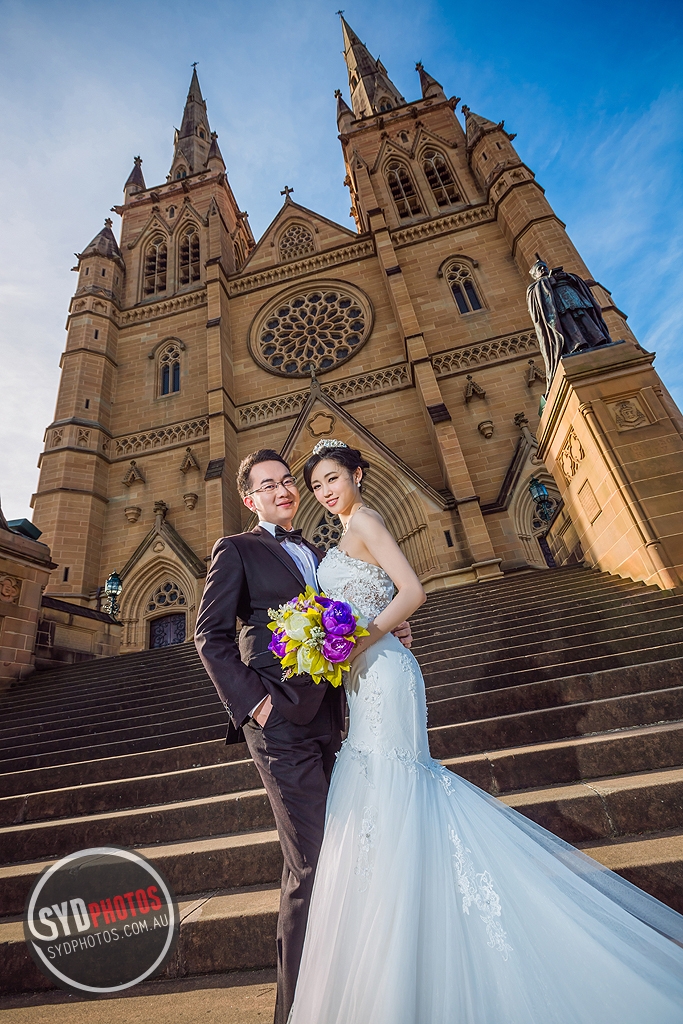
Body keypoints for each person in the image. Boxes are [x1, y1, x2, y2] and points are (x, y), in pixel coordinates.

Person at [288, 439, 683, 1024]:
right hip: (363, 677)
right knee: (378, 785)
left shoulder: (367, 521)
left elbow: (413, 590)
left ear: (358, 475)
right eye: (317, 484)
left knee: (393, 779)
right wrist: (332, 641)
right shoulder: (341, 535)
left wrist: (358, 640)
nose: (325, 491)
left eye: (333, 478)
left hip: (385, 671)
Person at [193, 448, 412, 1024]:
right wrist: (255, 705)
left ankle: (347, 996)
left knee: (345, 854)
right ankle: (293, 1012)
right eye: (268, 485)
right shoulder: (236, 549)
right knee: (310, 864)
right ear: (249, 499)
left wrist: (390, 625)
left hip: (334, 717)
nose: (283, 490)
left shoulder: (318, 551)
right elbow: (210, 636)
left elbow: (347, 614)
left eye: (288, 480)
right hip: (279, 721)